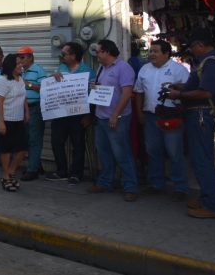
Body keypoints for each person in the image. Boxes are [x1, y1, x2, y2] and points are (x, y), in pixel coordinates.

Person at [167, 28, 215, 218]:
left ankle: (211, 205)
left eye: (192, 47)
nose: (191, 51)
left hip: (200, 114)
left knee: (202, 160)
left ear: (200, 45)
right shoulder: (206, 63)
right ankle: (206, 197)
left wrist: (180, 94)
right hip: (197, 114)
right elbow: (198, 86)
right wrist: (179, 87)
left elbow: (206, 92)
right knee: (199, 159)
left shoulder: (211, 63)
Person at [134, 39, 190, 200]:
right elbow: (138, 92)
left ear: (166, 53)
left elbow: (188, 92)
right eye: (151, 51)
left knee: (174, 152)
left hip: (171, 116)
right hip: (151, 117)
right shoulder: (145, 69)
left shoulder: (178, 70)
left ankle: (181, 188)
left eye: (156, 51)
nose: (152, 54)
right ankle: (157, 184)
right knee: (153, 151)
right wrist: (139, 113)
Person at [89, 39, 139, 202]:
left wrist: (115, 114)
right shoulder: (101, 68)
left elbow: (126, 93)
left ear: (107, 52)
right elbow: (103, 90)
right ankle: (105, 182)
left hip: (117, 118)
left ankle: (130, 186)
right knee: (104, 152)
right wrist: (94, 87)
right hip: (101, 116)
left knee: (121, 153)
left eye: (98, 51)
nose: (96, 54)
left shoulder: (123, 68)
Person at [48, 42, 96, 185]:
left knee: (78, 144)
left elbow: (93, 94)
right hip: (60, 114)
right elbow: (54, 88)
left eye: (64, 54)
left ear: (73, 56)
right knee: (56, 142)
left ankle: (76, 174)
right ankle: (61, 171)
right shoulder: (61, 68)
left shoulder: (87, 71)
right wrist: (53, 78)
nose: (61, 56)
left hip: (78, 115)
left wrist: (89, 115)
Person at [0, 54, 29, 192]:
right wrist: (1, 122)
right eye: (18, 64)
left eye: (22, 63)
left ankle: (10, 172)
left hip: (19, 119)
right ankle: (6, 176)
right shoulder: (2, 80)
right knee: (6, 150)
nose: (21, 65)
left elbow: (24, 96)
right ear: (11, 66)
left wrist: (27, 111)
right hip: (6, 119)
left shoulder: (20, 79)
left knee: (21, 150)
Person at [18, 46, 47, 181]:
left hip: (35, 108)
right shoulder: (21, 71)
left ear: (30, 57)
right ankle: (36, 165)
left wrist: (28, 85)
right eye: (19, 57)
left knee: (34, 140)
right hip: (23, 109)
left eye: (22, 57)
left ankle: (32, 170)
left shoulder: (38, 70)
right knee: (28, 139)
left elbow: (45, 89)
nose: (20, 59)